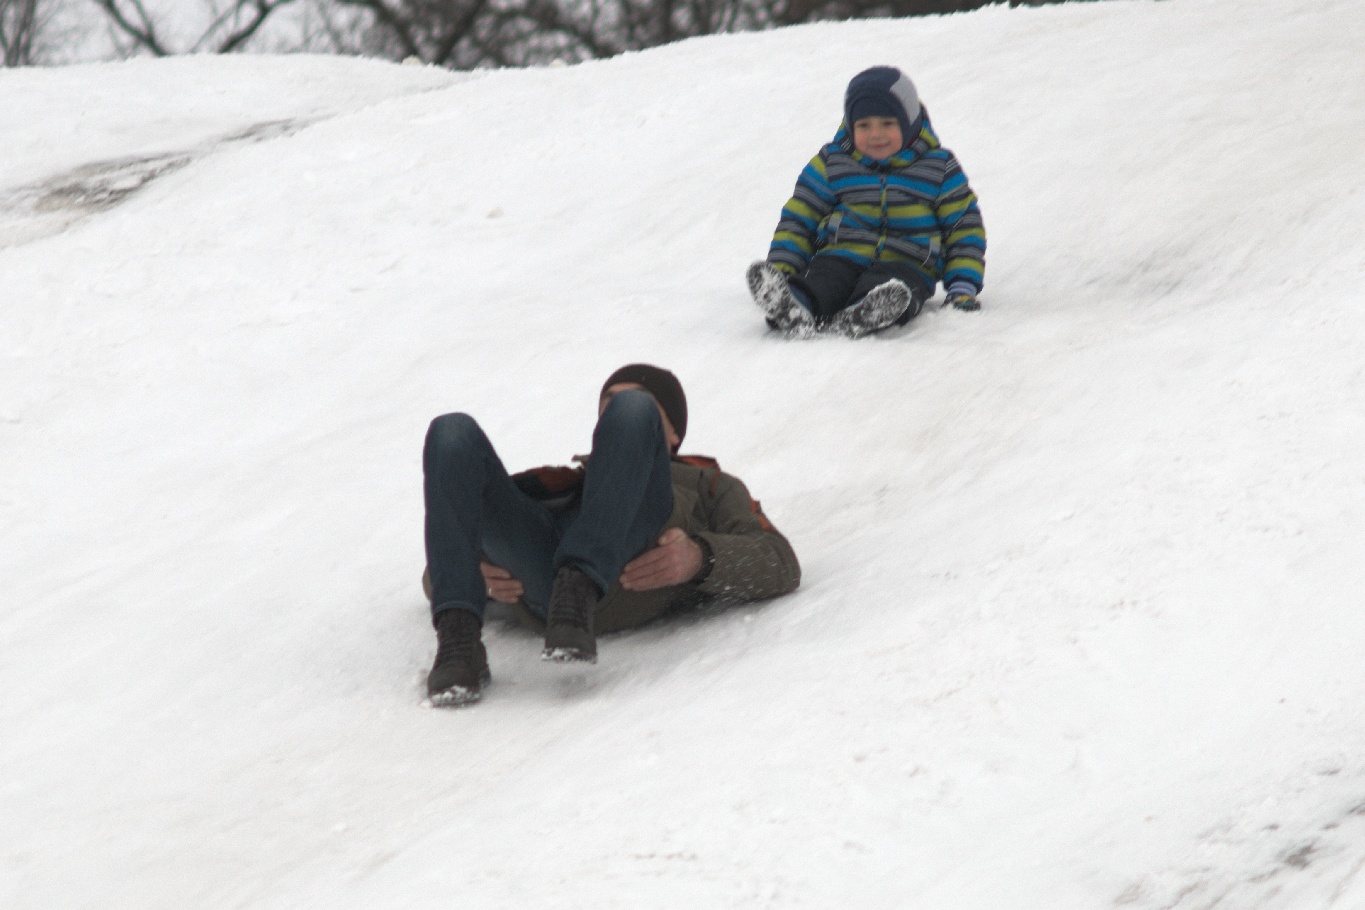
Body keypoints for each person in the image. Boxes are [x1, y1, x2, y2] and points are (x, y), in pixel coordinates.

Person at [420, 364, 801, 706]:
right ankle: (459, 639)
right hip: (546, 587)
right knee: (451, 432)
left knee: (633, 409)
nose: (617, 411)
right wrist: (478, 575)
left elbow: (780, 562)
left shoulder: (709, 485)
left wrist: (699, 558)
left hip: (625, 578)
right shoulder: (561, 481)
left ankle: (580, 582)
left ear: (671, 432)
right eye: (609, 406)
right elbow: (444, 552)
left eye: (643, 405)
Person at [748, 65, 987, 338]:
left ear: (909, 122)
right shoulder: (834, 162)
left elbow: (963, 229)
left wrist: (962, 288)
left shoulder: (938, 168)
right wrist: (782, 269)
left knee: (896, 288)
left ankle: (867, 312)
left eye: (887, 124)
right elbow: (800, 218)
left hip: (908, 263)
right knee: (823, 280)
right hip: (840, 255)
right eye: (864, 125)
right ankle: (793, 306)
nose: (875, 135)